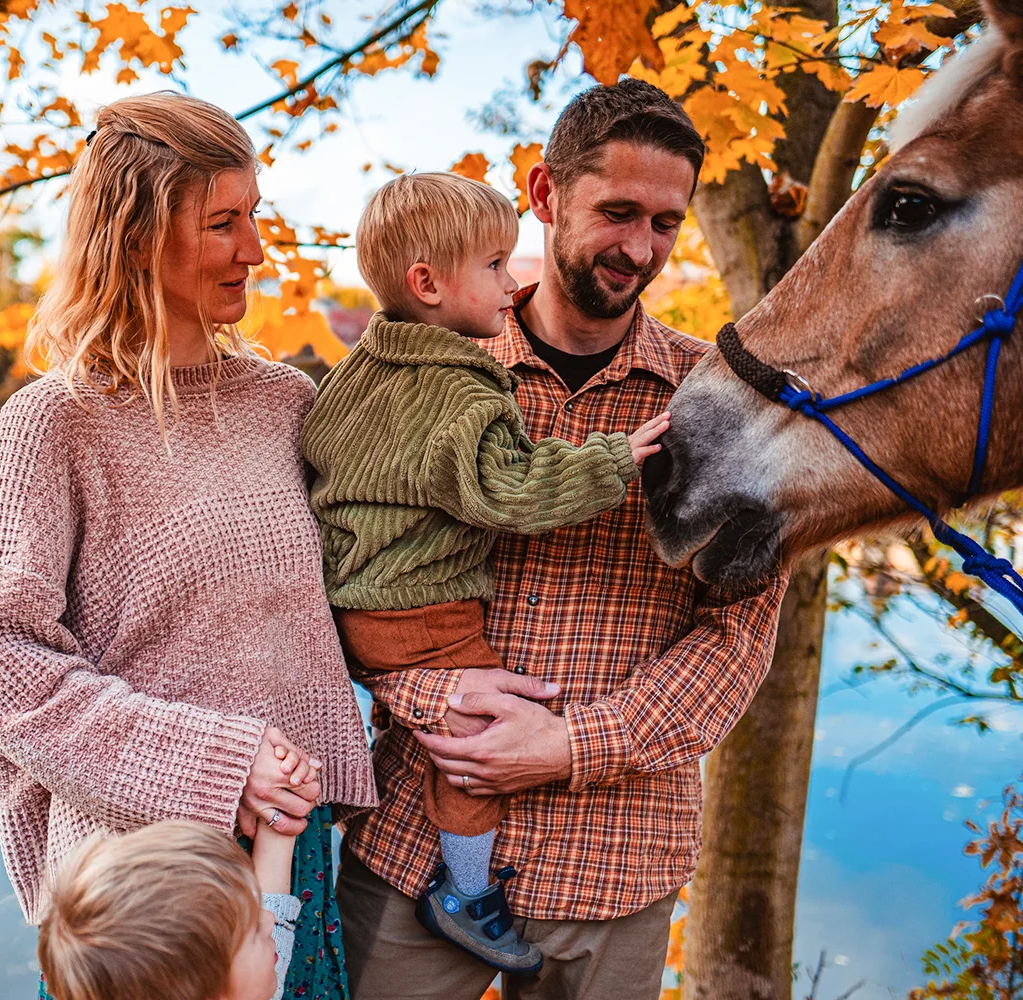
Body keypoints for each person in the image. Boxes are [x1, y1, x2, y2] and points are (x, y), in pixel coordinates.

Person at [335, 78, 792, 1000]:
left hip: (616, 862)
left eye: (666, 223)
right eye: (617, 212)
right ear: (545, 195)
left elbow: (737, 636)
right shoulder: (411, 375)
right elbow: (345, 562)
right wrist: (434, 691)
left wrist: (570, 742)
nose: (640, 248)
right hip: (414, 844)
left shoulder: (718, 405)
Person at [0, 91, 376, 1000]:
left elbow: (363, 596)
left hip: (290, 860)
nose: (254, 250)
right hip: (144, 900)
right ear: (137, 234)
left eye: (253, 217)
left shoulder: (284, 404)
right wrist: (220, 766)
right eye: (223, 223)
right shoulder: (55, 422)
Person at [301, 171, 668, 976]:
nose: (513, 282)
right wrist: (613, 461)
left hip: (362, 598)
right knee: (477, 745)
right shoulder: (463, 389)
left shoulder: (352, 376)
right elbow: (512, 490)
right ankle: (467, 890)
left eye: (667, 220)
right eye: (497, 267)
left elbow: (320, 476)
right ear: (428, 284)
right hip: (426, 612)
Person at [39, 799, 315, 1000]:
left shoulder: (239, 982)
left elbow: (273, 916)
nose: (269, 919)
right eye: (253, 929)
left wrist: (280, 813)